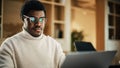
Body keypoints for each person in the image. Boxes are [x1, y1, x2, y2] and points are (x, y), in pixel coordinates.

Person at [0, 0, 65, 68]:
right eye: (33, 19)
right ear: (23, 19)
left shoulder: (54, 45)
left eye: (41, 19)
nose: (38, 24)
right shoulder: (9, 46)